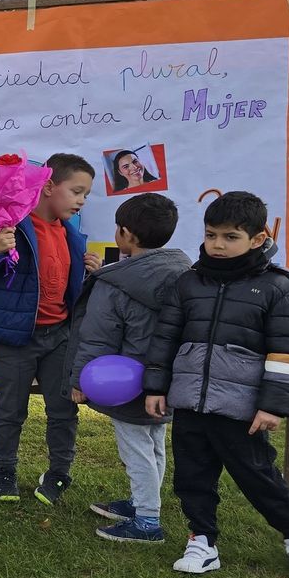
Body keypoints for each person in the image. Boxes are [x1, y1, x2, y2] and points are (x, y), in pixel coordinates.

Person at [144, 191, 289, 578]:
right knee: (192, 477)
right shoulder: (188, 283)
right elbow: (165, 339)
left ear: (258, 239)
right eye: (211, 235)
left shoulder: (277, 288)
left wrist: (273, 405)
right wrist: (156, 386)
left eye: (230, 237)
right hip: (189, 403)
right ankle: (202, 540)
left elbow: (288, 352)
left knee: (257, 476)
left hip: (241, 409)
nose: (218, 245)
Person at [0, 152, 98, 505]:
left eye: (86, 195)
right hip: (15, 339)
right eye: (77, 191)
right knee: (10, 411)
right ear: (49, 186)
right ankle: (4, 472)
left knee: (63, 409)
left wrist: (90, 274)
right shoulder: (9, 224)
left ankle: (59, 473)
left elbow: (66, 287)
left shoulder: (72, 235)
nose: (82, 201)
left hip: (60, 337)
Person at [65, 193, 191, 543]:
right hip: (165, 381)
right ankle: (142, 502)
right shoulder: (184, 274)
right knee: (154, 443)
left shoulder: (113, 285)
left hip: (126, 383)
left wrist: (79, 380)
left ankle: (147, 520)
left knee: (136, 449)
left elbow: (97, 337)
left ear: (127, 234)